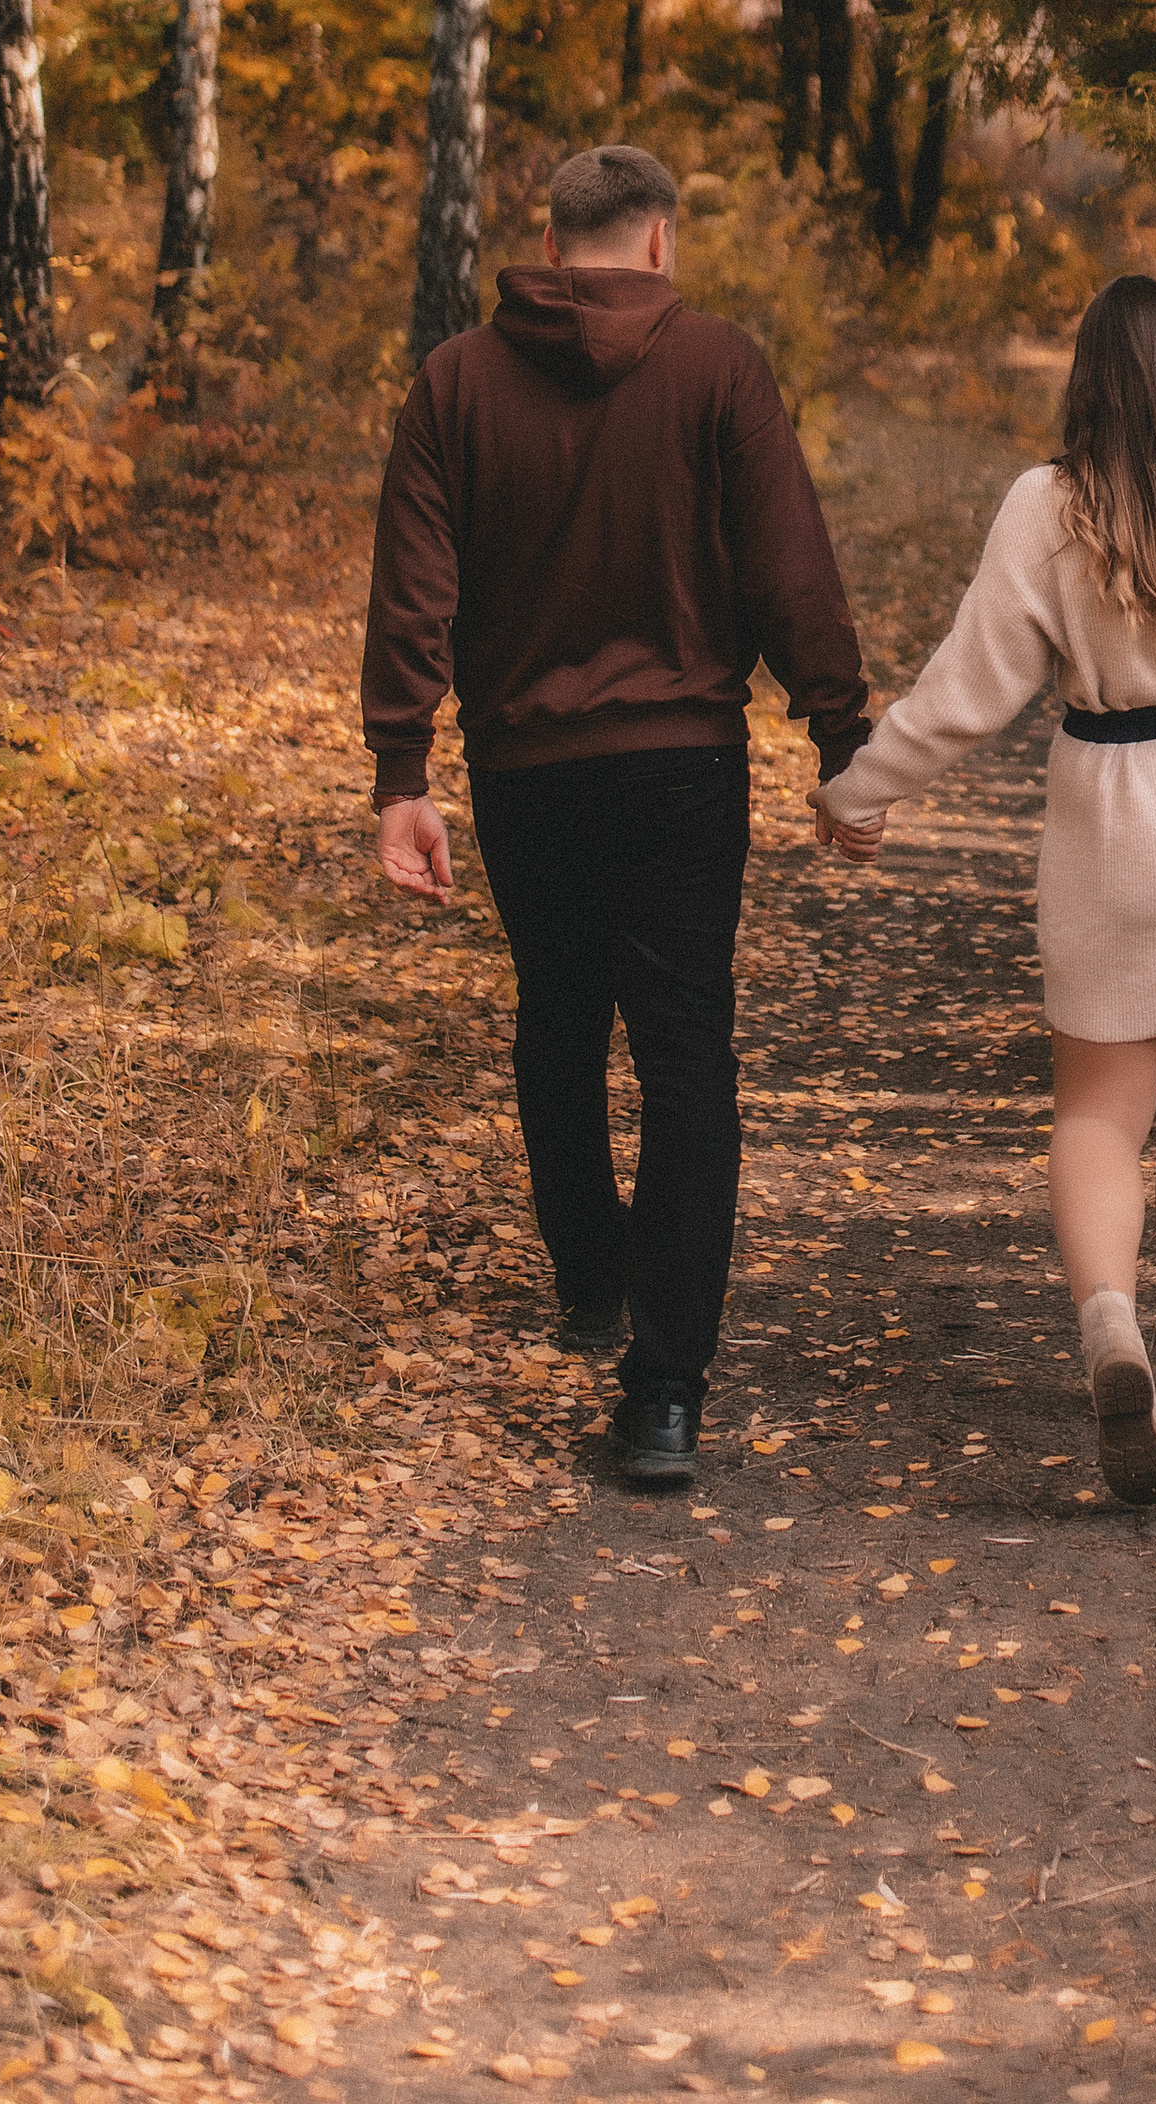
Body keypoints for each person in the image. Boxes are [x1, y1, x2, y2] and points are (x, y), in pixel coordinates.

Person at [362, 144, 869, 1490]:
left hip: (528, 773)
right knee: (688, 1048)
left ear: (551, 239)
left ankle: (592, 1277)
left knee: (558, 1017)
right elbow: (788, 568)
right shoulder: (718, 368)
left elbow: (415, 590)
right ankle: (663, 1396)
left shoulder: (457, 381)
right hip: (681, 768)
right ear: (657, 243)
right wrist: (842, 732)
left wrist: (399, 778)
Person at [811, 274, 1156, 1508]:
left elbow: (970, 686)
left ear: (1088, 384)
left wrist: (859, 784)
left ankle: (1104, 1319)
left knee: (1100, 1109)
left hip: (1118, 820)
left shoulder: (1048, 508)